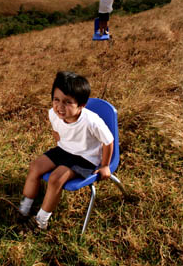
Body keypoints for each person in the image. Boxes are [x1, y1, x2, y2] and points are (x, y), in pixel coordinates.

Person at [18, 71, 114, 229]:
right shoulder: (53, 113)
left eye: (67, 102)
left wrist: (104, 165)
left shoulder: (91, 121)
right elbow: (56, 131)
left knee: (56, 178)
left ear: (81, 105)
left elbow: (108, 141)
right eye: (56, 100)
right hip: (64, 150)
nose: (60, 107)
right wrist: (60, 146)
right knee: (35, 166)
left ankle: (41, 221)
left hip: (85, 157)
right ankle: (24, 209)